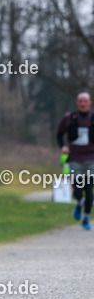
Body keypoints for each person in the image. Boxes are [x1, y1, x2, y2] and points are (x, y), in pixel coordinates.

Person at [56, 91, 93, 230]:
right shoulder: (68, 118)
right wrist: (63, 146)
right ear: (77, 103)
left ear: (90, 103)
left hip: (91, 159)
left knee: (89, 190)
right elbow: (59, 135)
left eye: (86, 101)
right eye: (80, 101)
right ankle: (79, 203)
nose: (83, 103)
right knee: (77, 188)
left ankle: (86, 218)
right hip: (75, 159)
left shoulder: (93, 117)